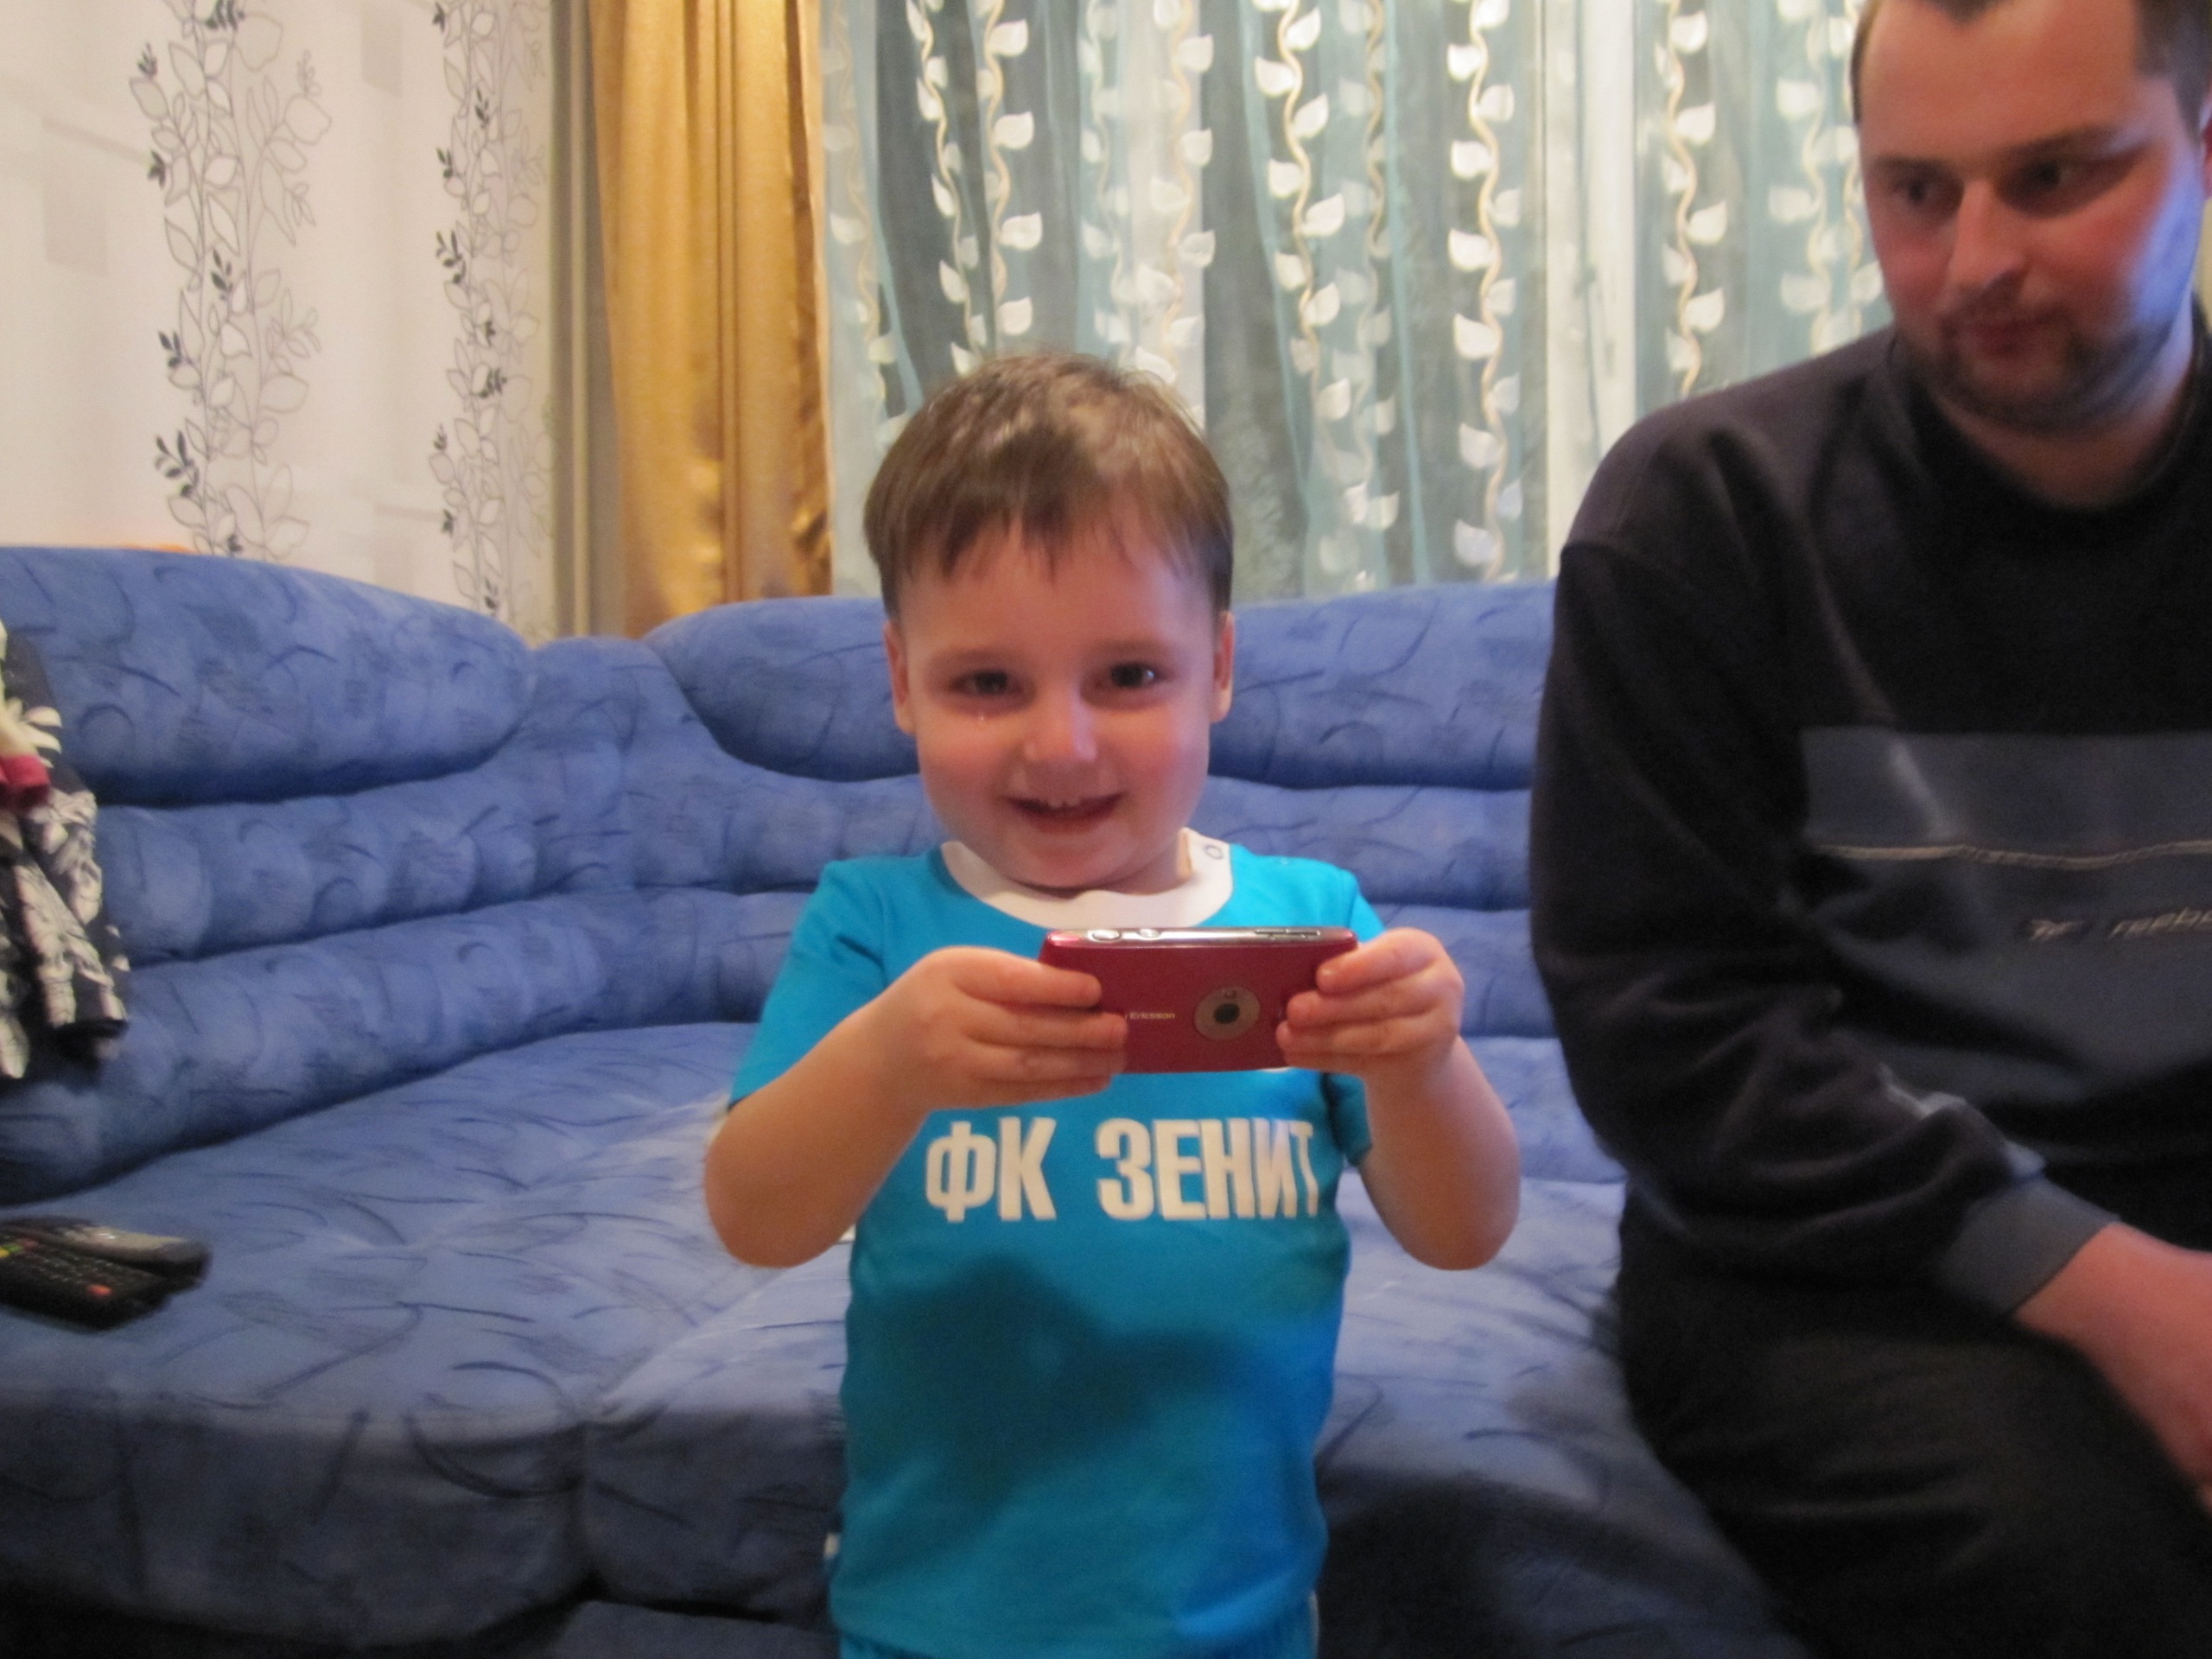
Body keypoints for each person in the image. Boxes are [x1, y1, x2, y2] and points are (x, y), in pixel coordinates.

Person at [1530, 0, 2212, 1648]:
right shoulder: (1703, 517)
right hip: (1844, 1266)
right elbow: (1677, 1040)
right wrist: (2127, 1300)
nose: (1974, 261)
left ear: (2204, 153)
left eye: (2054, 178)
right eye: (1916, 191)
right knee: (2083, 1575)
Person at [704, 353, 1520, 1659]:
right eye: (987, 684)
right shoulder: (876, 927)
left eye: (1130, 676)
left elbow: (1467, 1230)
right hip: (936, 1625)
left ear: (1220, 667)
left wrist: (1421, 1067)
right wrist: (891, 1063)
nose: (1062, 745)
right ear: (902, 680)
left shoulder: (1311, 921)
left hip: (1239, 1623)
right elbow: (754, 1215)